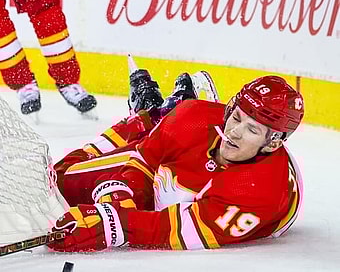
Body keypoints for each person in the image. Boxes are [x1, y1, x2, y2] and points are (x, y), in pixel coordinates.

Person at [47, 71, 304, 252]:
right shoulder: (194, 118)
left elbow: (174, 230)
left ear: (273, 143)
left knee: (167, 197)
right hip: (191, 133)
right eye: (236, 117)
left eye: (252, 130)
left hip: (223, 195)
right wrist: (122, 194)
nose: (234, 132)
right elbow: (141, 162)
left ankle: (156, 116)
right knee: (59, 179)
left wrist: (115, 225)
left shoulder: (260, 191)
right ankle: (152, 117)